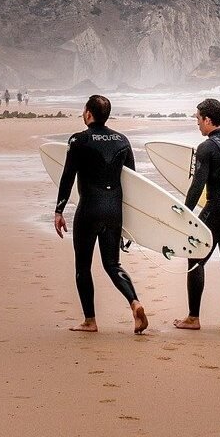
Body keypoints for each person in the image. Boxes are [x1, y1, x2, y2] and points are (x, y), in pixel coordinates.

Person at [54, 95, 149, 334]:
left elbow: (67, 177)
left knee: (83, 266)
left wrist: (59, 210)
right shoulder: (122, 141)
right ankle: (134, 303)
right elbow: (133, 183)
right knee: (112, 264)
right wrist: (130, 223)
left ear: (88, 113)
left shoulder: (78, 140)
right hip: (113, 210)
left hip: (89, 209)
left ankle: (90, 321)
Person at [175, 98, 220, 331]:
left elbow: (198, 185)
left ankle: (193, 318)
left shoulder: (206, 147)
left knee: (195, 260)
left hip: (216, 209)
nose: (197, 123)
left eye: (198, 118)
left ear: (208, 119)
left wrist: (185, 213)